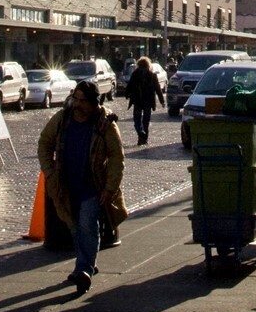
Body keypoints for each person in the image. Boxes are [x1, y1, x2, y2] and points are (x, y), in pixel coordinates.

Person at [38, 79, 127, 295]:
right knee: (75, 226)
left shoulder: (104, 123)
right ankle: (85, 262)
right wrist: (50, 173)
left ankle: (84, 270)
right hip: (66, 185)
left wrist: (110, 187)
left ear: (94, 103)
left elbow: (116, 157)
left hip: (93, 185)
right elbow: (44, 143)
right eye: (75, 99)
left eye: (83, 100)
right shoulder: (62, 119)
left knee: (88, 223)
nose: (78, 104)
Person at [123, 56, 163, 145]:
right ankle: (143, 137)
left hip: (139, 101)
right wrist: (162, 101)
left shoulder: (137, 74)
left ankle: (141, 135)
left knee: (138, 120)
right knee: (145, 121)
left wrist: (127, 94)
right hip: (145, 101)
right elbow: (158, 89)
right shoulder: (151, 75)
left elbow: (130, 85)